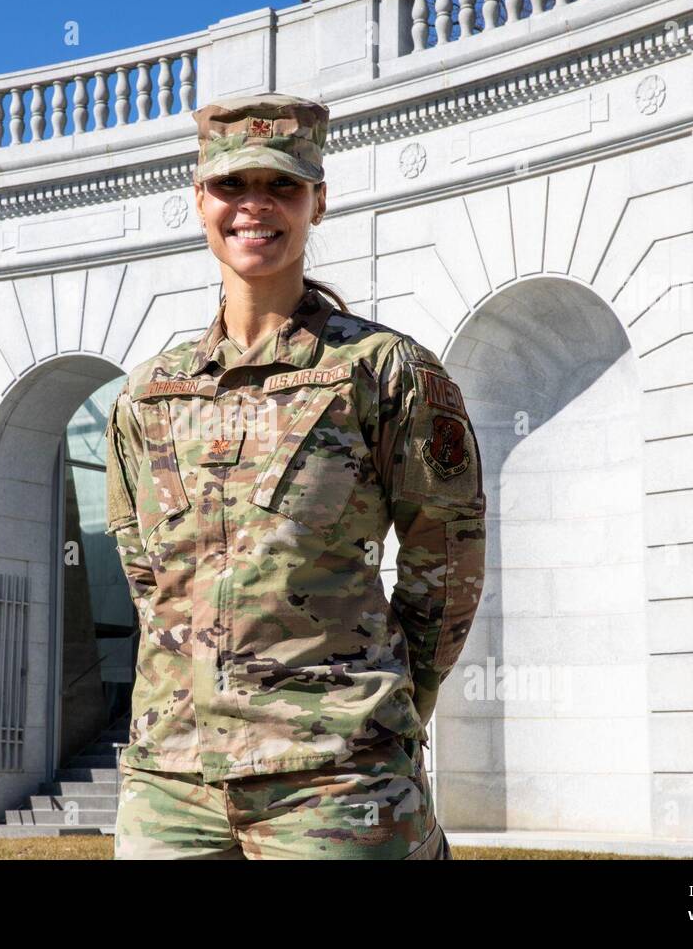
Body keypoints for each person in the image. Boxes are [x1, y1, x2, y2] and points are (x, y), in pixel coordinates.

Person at [104, 92, 486, 859]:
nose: (256, 207)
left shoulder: (384, 372)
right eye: (231, 186)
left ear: (319, 202)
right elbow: (147, 576)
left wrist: (385, 710)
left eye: (282, 186)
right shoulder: (150, 393)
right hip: (171, 783)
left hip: (336, 782)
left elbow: (444, 562)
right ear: (198, 198)